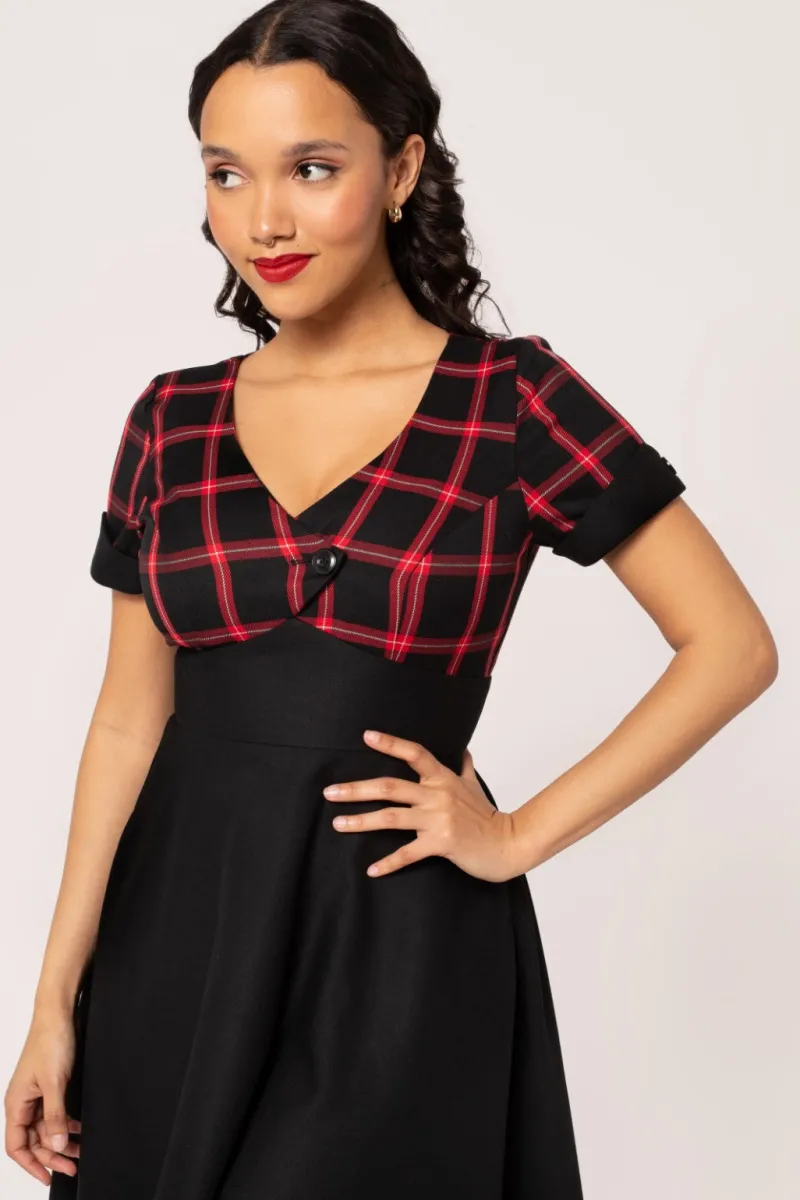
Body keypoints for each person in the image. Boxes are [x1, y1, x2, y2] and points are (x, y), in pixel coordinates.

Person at [5, 1, 778, 1196]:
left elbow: (729, 645)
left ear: (402, 167)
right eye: (226, 173)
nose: (263, 219)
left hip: (392, 949)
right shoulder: (170, 419)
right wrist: (54, 1003)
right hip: (178, 943)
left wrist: (516, 835)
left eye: (311, 168)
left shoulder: (510, 401)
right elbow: (125, 723)